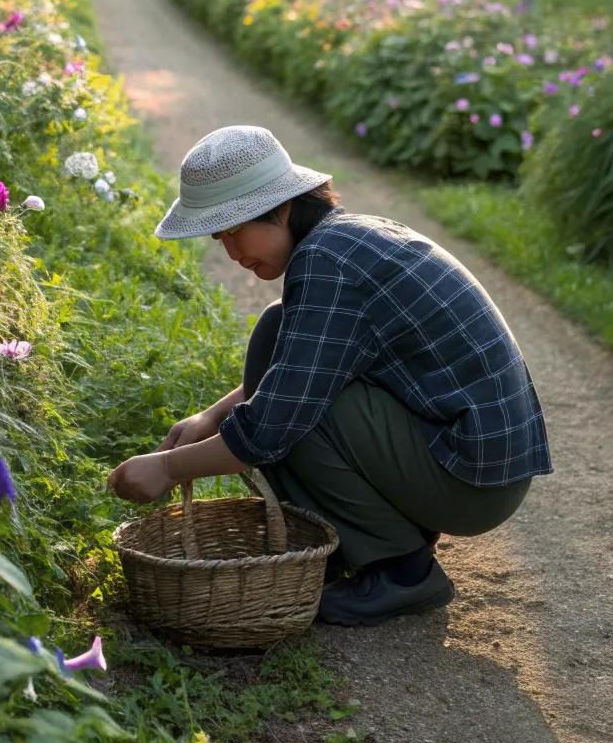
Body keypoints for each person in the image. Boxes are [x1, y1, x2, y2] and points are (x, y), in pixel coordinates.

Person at [106, 125, 552, 625]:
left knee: (298, 411)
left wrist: (166, 469)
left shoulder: (327, 262)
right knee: (277, 328)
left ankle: (403, 571)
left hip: (473, 483)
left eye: (235, 231)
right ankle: (361, 539)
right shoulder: (344, 239)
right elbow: (306, 362)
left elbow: (271, 425)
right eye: (219, 237)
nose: (231, 253)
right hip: (471, 461)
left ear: (280, 208)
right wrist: (210, 417)